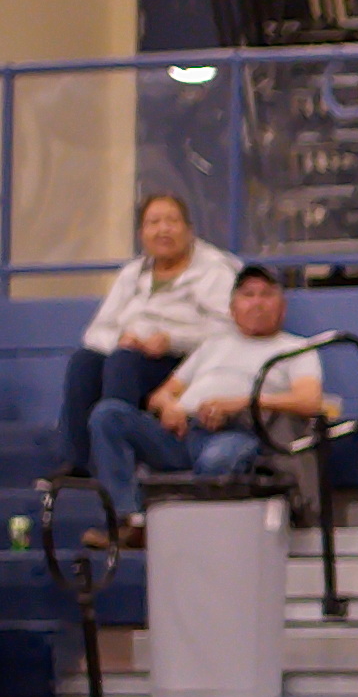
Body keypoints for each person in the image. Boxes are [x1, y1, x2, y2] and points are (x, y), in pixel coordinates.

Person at [83, 261, 322, 538]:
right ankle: (132, 523)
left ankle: (190, 538)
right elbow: (160, 395)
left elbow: (310, 401)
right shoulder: (213, 344)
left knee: (218, 459)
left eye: (266, 294)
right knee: (108, 415)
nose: (257, 303)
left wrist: (242, 403)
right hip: (182, 432)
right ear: (233, 308)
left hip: (239, 432)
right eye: (248, 294)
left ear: (282, 307)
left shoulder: (296, 348)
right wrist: (169, 407)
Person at [58, 191, 241, 480]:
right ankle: (78, 463)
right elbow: (97, 331)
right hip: (133, 354)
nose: (163, 229)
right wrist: (125, 339)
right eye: (153, 222)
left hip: (185, 363)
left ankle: (121, 464)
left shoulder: (214, 269)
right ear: (142, 233)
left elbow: (228, 329)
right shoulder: (132, 273)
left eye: (172, 221)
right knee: (85, 362)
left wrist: (171, 339)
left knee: (122, 362)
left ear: (189, 230)